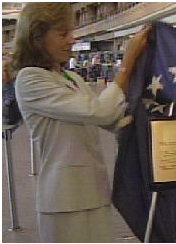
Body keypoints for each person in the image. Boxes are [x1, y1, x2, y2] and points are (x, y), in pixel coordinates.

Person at [13, 3, 151, 242]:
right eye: (62, 33)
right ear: (37, 37)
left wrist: (146, 117)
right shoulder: (30, 79)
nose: (72, 39)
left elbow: (111, 121)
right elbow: (99, 112)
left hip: (94, 191)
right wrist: (127, 66)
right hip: (64, 200)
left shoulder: (71, 77)